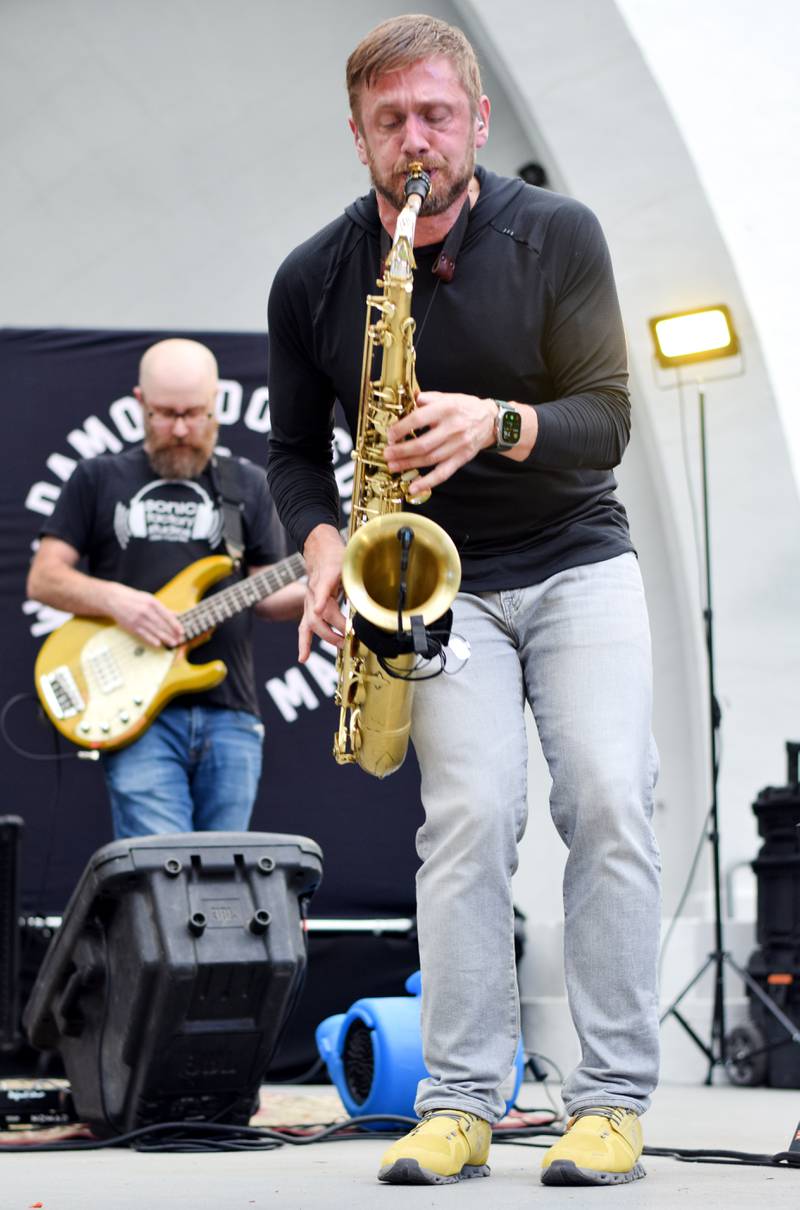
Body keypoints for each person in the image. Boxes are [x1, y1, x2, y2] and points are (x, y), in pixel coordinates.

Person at [267, 14, 660, 1189]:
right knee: (468, 821)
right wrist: (324, 544)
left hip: (576, 555)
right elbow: (293, 452)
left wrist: (497, 422)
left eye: (437, 115)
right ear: (356, 136)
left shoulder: (559, 235)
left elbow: (608, 414)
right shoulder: (315, 276)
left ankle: (609, 1101)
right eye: (390, 122)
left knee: (604, 796)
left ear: (479, 120)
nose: (416, 142)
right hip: (431, 584)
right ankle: (456, 1103)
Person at [27, 338, 305, 839]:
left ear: (216, 404)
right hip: (136, 717)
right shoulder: (98, 477)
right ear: (140, 403)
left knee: (225, 878)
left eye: (194, 414)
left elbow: (264, 595)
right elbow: (44, 577)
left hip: (230, 713)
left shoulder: (246, 486)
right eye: (165, 414)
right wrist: (119, 601)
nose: (180, 429)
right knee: (162, 873)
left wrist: (333, 580)